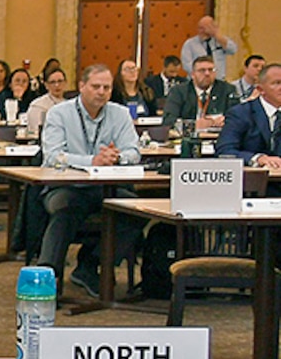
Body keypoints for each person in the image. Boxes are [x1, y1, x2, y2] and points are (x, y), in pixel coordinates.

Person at [38, 65, 143, 297]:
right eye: (96, 86)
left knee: (137, 212)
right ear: (81, 87)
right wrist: (91, 161)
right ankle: (47, 276)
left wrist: (116, 157)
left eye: (106, 87)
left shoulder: (120, 113)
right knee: (67, 209)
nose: (102, 92)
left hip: (107, 187)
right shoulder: (60, 113)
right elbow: (53, 156)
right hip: (66, 186)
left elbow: (134, 152)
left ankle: (90, 265)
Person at [215, 62, 281, 170]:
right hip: (254, 181)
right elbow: (225, 151)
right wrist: (258, 159)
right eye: (277, 83)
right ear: (260, 89)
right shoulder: (240, 113)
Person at [161, 54, 238, 131]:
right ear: (193, 75)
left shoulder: (227, 90)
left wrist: (224, 120)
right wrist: (194, 124)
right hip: (187, 138)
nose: (207, 74)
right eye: (202, 70)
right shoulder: (178, 91)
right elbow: (168, 121)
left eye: (211, 70)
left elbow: (237, 117)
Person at [181, 15, 237, 80]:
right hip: (197, 81)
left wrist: (218, 36)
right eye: (200, 28)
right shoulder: (190, 44)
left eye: (205, 28)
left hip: (218, 80)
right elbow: (186, 65)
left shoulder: (220, 41)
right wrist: (202, 73)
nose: (202, 31)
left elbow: (233, 50)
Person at [23, 66, 68, 135]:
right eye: (52, 82)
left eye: (60, 81)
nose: (57, 85)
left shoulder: (70, 105)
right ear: (46, 85)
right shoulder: (38, 106)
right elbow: (35, 131)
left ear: (65, 83)